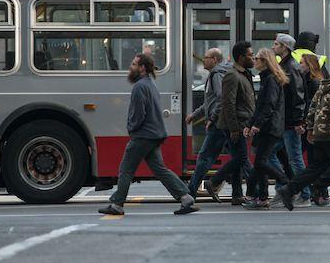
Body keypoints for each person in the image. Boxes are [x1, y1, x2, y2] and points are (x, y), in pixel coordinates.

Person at [98, 53, 199, 216]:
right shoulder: (150, 84)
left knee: (126, 169)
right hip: (155, 134)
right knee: (160, 169)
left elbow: (138, 114)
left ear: (142, 68)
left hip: (143, 135)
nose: (131, 68)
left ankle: (117, 204)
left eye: (133, 64)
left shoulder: (139, 86)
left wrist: (131, 128)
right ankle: (185, 197)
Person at [276, 60, 330, 211]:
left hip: (320, 134)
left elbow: (312, 107)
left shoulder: (325, 84)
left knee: (318, 166)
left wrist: (311, 129)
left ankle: (289, 189)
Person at [206, 40, 255, 205]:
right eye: (250, 55)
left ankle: (236, 194)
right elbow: (228, 103)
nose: (253, 57)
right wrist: (234, 128)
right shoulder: (232, 75)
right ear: (241, 58)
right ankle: (214, 181)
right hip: (235, 124)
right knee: (241, 158)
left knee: (237, 158)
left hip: (240, 122)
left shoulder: (243, 73)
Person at [244, 47, 290, 210]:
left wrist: (257, 125)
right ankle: (261, 197)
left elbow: (269, 106)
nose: (254, 61)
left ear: (264, 61)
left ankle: (284, 182)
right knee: (259, 163)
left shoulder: (271, 80)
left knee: (261, 163)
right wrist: (250, 124)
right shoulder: (268, 78)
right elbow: (259, 106)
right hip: (269, 127)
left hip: (270, 127)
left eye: (257, 58)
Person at [186, 48, 231, 200]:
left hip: (218, 124)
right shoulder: (217, 74)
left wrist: (212, 118)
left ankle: (191, 190)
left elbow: (220, 99)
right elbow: (210, 102)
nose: (203, 60)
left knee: (204, 157)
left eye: (207, 57)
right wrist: (194, 114)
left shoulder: (216, 75)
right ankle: (240, 193)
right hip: (222, 122)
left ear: (215, 60)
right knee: (239, 159)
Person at [273, 33, 311, 206]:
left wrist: (297, 121)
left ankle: (304, 194)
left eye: (276, 44)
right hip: (285, 120)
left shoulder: (291, 67)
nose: (273, 47)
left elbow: (297, 96)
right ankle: (290, 190)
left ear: (284, 47)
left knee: (294, 158)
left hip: (289, 121)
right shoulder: (286, 65)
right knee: (287, 156)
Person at [299, 51, 330, 207]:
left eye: (302, 63)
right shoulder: (311, 80)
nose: (299, 66)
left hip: (312, 127)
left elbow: (313, 107)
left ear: (309, 65)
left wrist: (308, 125)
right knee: (313, 161)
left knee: (314, 162)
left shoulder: (314, 82)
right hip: (312, 125)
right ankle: (318, 194)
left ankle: (320, 194)